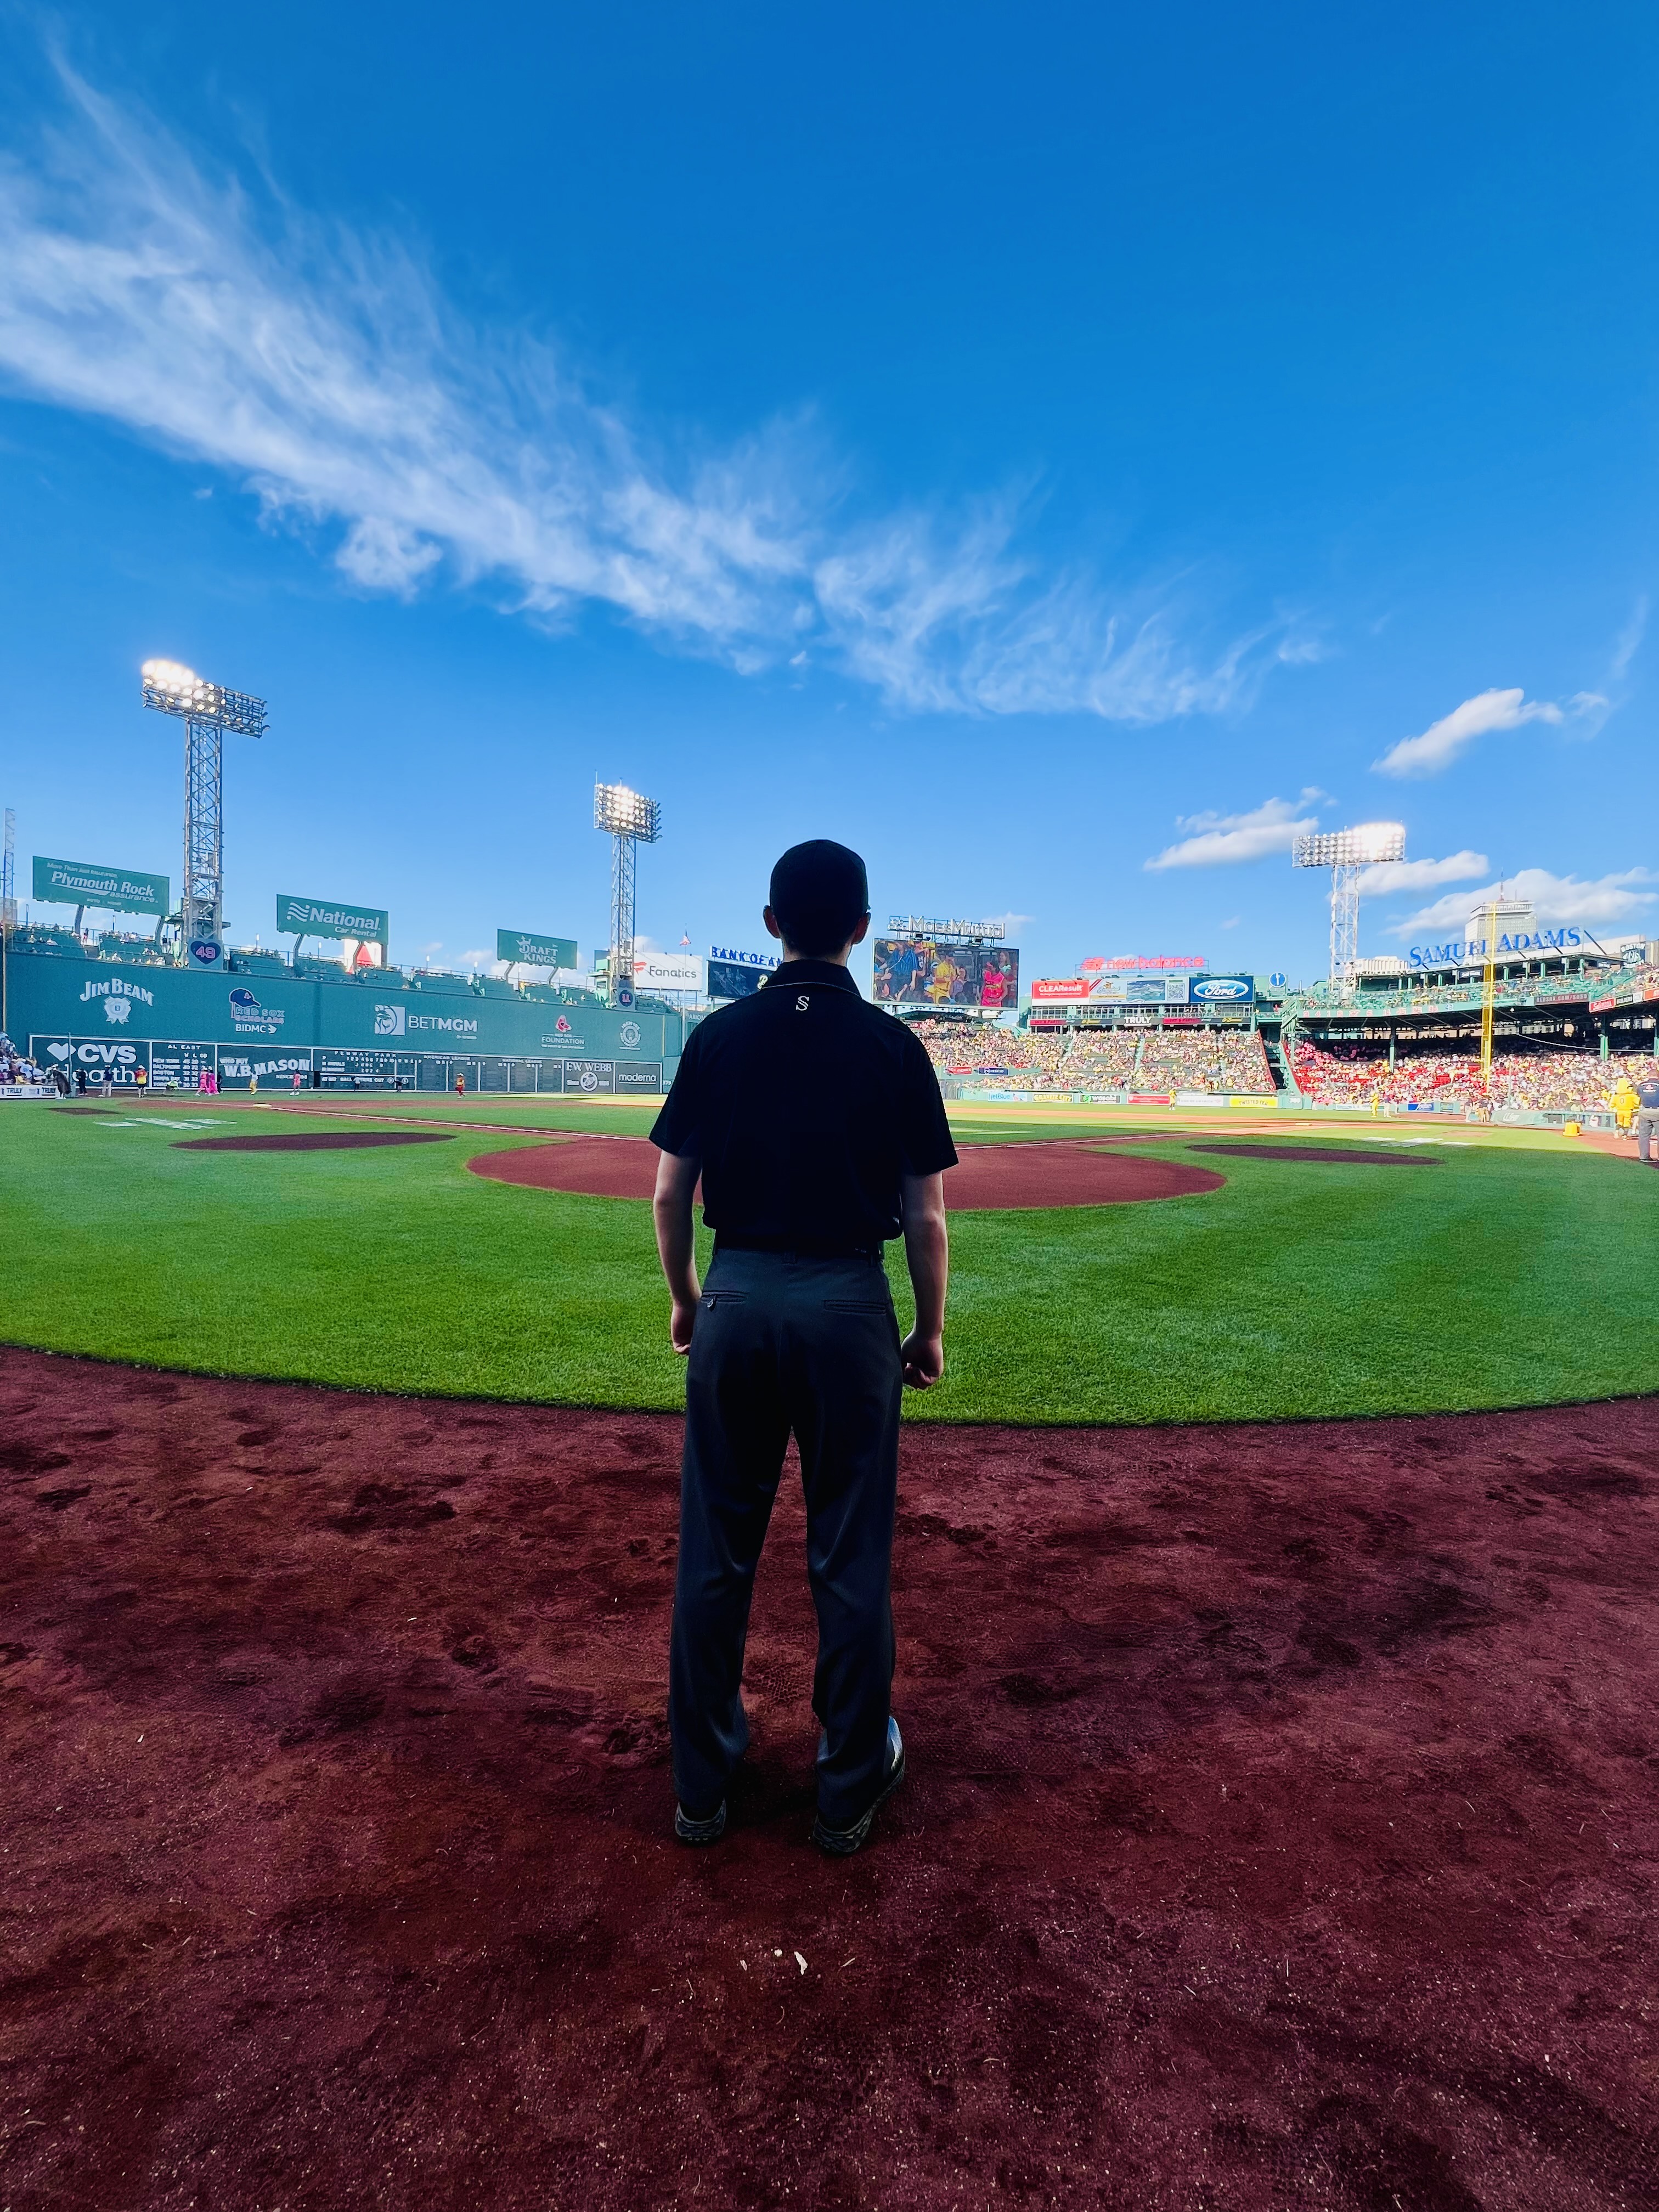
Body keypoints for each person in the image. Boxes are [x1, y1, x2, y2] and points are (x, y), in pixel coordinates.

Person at [651, 839, 956, 1857]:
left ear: (771, 922)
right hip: (844, 1306)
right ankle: (845, 1792)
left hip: (737, 1294)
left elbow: (667, 1193)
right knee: (848, 1556)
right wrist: (927, 1329)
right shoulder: (892, 1045)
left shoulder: (718, 1036)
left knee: (714, 1554)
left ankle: (701, 1787)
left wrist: (692, 1300)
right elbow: (926, 1218)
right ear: (862, 931)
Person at [1633, 1068, 1659, 1165]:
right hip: (1657, 1110)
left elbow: (1639, 1095)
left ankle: (1644, 1157)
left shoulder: (1641, 1085)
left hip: (1644, 1111)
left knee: (1643, 1135)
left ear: (1648, 1076)